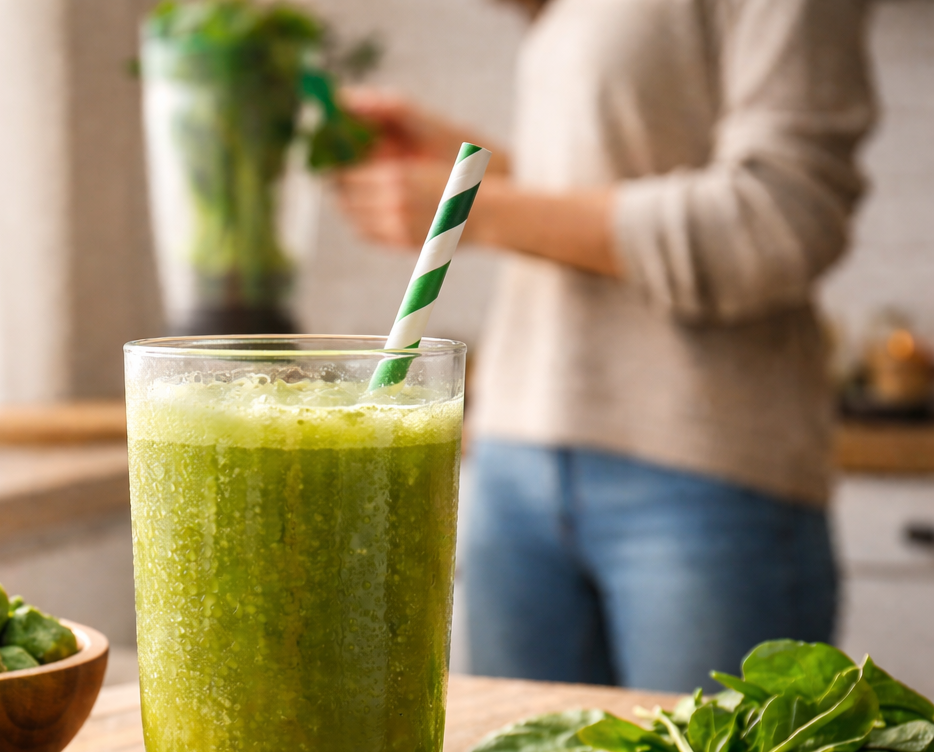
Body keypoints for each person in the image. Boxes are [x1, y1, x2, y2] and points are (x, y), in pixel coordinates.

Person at [334, 0, 878, 691]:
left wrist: (479, 207)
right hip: (515, 450)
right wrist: (466, 169)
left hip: (702, 468)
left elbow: (781, 220)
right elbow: (610, 184)